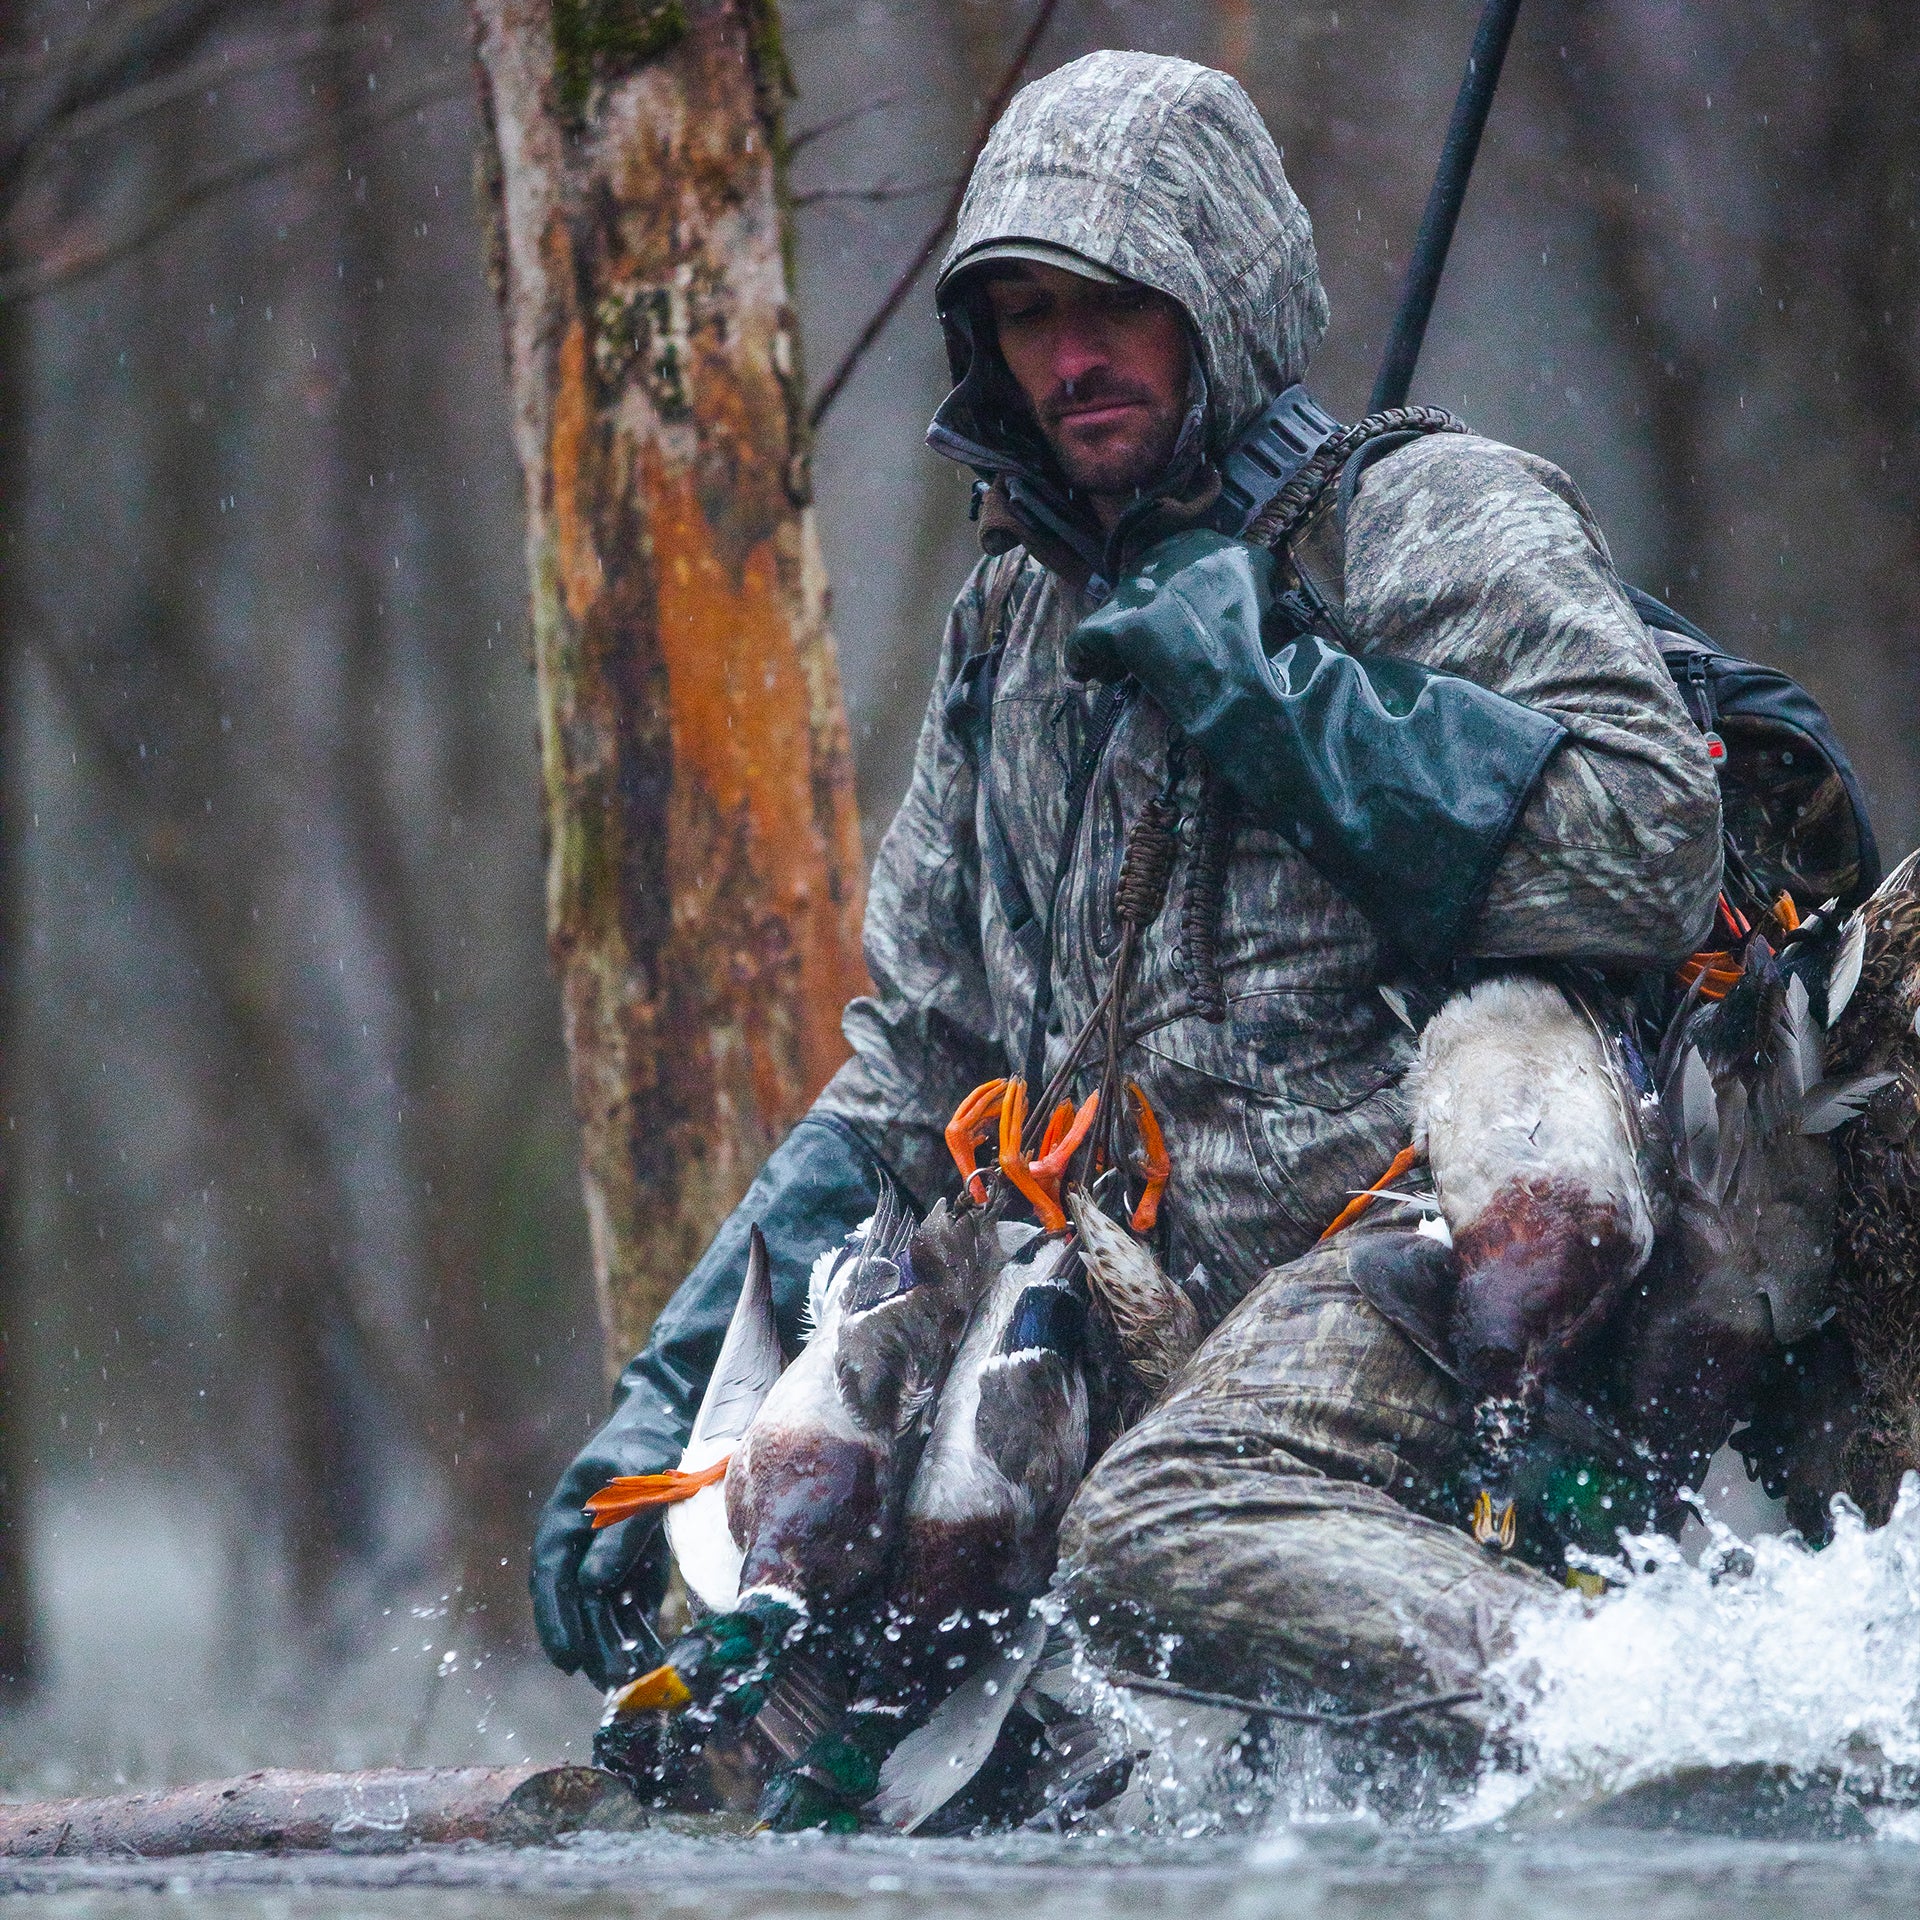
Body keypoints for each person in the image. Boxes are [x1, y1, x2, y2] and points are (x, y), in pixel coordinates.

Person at [530, 49, 1723, 1761]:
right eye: (1026, 316)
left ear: (1222, 295)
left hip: (1433, 1289)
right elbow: (917, 1070)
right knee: (748, 1660)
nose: (1069, 358)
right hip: (1117, 1330)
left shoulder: (1424, 518)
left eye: (1115, 305)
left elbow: (1654, 848)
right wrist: (665, 1399)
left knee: (1160, 1535)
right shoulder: (1006, 623)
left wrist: (1284, 697)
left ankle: (1670, 1730)